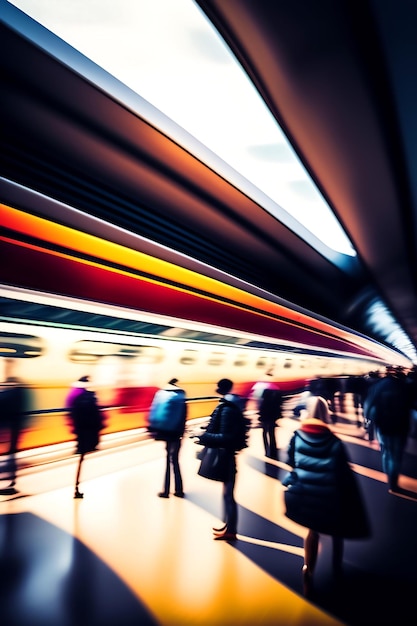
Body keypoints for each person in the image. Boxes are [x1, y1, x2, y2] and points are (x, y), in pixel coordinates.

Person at [282, 395, 370, 596]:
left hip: (307, 493)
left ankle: (308, 570)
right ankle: (336, 571)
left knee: (312, 532)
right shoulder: (335, 442)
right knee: (337, 532)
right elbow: (343, 474)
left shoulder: (296, 436)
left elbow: (290, 461)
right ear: (326, 414)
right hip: (331, 496)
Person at [196, 378, 249, 541]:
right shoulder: (232, 405)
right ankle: (228, 526)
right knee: (227, 494)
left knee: (229, 496)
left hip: (226, 457)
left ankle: (231, 530)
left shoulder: (227, 409)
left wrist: (203, 436)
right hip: (228, 456)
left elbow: (226, 436)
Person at [363, 366, 412, 492]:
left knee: (386, 451)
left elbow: (369, 405)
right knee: (396, 455)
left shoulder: (377, 386)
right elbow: (411, 407)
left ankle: (388, 475)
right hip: (401, 425)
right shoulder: (404, 386)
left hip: (383, 425)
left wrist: (368, 422)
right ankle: (393, 481)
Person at [66, 375, 104, 499]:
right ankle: (76, 488)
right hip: (88, 431)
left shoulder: (73, 392)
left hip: (78, 428)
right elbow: (96, 415)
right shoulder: (88, 395)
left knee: (81, 455)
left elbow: (70, 410)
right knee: (82, 457)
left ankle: (76, 488)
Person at [148, 378, 187, 498]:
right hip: (176, 434)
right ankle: (178, 490)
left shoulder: (161, 394)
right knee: (175, 461)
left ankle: (165, 491)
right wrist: (181, 433)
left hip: (164, 433)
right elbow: (183, 418)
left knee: (167, 462)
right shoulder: (181, 397)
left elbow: (153, 412)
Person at [0, 372, 29, 491]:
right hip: (14, 428)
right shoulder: (21, 394)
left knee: (10, 456)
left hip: (8, 429)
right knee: (11, 455)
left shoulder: (8, 395)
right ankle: (11, 482)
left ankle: (9, 482)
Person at [258, 387, 283, 459]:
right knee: (272, 434)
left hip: (265, 420)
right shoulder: (273, 402)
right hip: (271, 419)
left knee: (264, 434)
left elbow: (261, 412)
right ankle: (273, 451)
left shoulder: (263, 403)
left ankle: (266, 451)